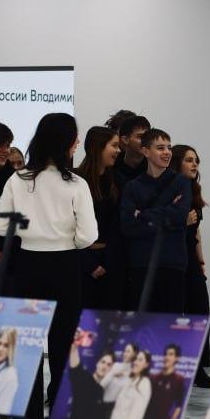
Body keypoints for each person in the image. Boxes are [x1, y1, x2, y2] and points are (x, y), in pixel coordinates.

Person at [0, 112, 97, 419]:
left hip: (28, 264)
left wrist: (27, 227)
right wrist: (64, 236)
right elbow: (88, 235)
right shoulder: (76, 184)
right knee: (65, 345)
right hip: (65, 264)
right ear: (66, 142)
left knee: (26, 346)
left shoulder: (19, 179)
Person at [120, 128, 192, 313]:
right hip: (142, 263)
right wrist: (167, 217)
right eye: (160, 148)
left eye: (169, 147)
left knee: (170, 323)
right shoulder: (133, 186)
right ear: (145, 151)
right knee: (142, 324)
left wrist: (142, 215)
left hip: (173, 263)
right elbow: (128, 226)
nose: (167, 152)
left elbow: (179, 216)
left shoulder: (181, 182)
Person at [172, 144, 210, 388]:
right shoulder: (169, 189)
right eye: (189, 160)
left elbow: (196, 231)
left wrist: (201, 261)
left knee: (200, 312)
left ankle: (198, 368)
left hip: (191, 256)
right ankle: (177, 369)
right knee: (176, 314)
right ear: (177, 162)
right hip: (172, 256)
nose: (194, 164)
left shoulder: (193, 190)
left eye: (196, 160)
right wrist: (182, 221)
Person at [76, 126, 124, 312]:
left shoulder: (117, 182)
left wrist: (109, 261)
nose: (118, 150)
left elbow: (118, 225)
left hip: (111, 261)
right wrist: (88, 263)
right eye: (114, 145)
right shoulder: (76, 180)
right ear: (98, 147)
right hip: (82, 262)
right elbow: (70, 224)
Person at [64, 337, 114, 419]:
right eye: (103, 362)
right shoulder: (84, 378)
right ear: (97, 363)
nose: (104, 366)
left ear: (110, 369)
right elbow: (76, 368)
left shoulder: (101, 390)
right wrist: (74, 347)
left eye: (108, 364)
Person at [138, 344, 188, 419]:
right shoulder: (153, 377)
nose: (166, 357)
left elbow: (179, 406)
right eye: (165, 354)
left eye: (170, 354)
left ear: (177, 358)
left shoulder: (179, 380)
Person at [107, 349, 152, 419]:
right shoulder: (129, 380)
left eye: (140, 360)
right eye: (135, 359)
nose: (135, 362)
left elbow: (135, 417)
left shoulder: (144, 384)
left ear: (146, 365)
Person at [113, 114, 150, 191]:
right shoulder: (112, 167)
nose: (145, 141)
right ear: (125, 140)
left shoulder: (155, 167)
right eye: (140, 137)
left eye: (148, 136)